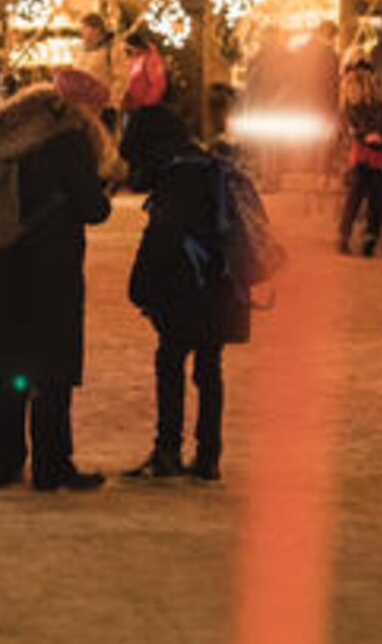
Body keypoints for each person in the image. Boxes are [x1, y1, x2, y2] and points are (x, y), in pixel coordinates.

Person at [0, 84, 112, 492]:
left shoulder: (10, 139)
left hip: (4, 263)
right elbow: (94, 208)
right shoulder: (67, 142)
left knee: (12, 367)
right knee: (51, 368)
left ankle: (3, 461)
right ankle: (52, 464)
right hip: (50, 267)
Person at [119, 105, 248, 482]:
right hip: (220, 286)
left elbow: (162, 239)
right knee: (209, 369)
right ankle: (209, 454)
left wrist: (139, 286)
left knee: (171, 363)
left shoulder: (178, 178)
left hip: (185, 289)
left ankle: (167, 451)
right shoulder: (208, 167)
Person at [337, 62, 382, 257]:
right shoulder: (348, 111)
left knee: (377, 192)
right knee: (356, 188)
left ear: (364, 89)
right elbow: (346, 136)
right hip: (357, 159)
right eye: (347, 90)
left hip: (379, 159)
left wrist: (381, 139)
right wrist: (362, 136)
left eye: (353, 90)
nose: (350, 94)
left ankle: (370, 237)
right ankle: (344, 235)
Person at [121, 32, 167, 114]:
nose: (128, 52)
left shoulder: (150, 58)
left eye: (130, 49)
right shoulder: (133, 56)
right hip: (130, 104)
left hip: (143, 107)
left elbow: (158, 83)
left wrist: (147, 103)